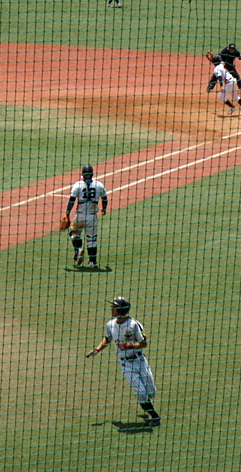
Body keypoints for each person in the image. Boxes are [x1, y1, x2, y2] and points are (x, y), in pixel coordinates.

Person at [85, 296, 161, 427]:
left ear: (120, 310)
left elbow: (144, 344)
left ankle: (145, 405)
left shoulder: (133, 324)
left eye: (114, 307)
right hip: (125, 364)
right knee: (141, 392)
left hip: (140, 360)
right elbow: (107, 338)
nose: (111, 309)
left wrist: (129, 346)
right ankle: (155, 416)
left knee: (151, 391)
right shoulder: (110, 325)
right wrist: (97, 349)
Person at [64, 164, 108, 268]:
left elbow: (72, 200)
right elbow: (105, 198)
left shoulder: (77, 185)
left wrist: (67, 212)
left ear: (83, 174)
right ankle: (93, 262)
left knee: (74, 233)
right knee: (92, 239)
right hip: (92, 217)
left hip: (80, 216)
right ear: (92, 174)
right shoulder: (99, 185)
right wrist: (104, 208)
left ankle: (78, 249)